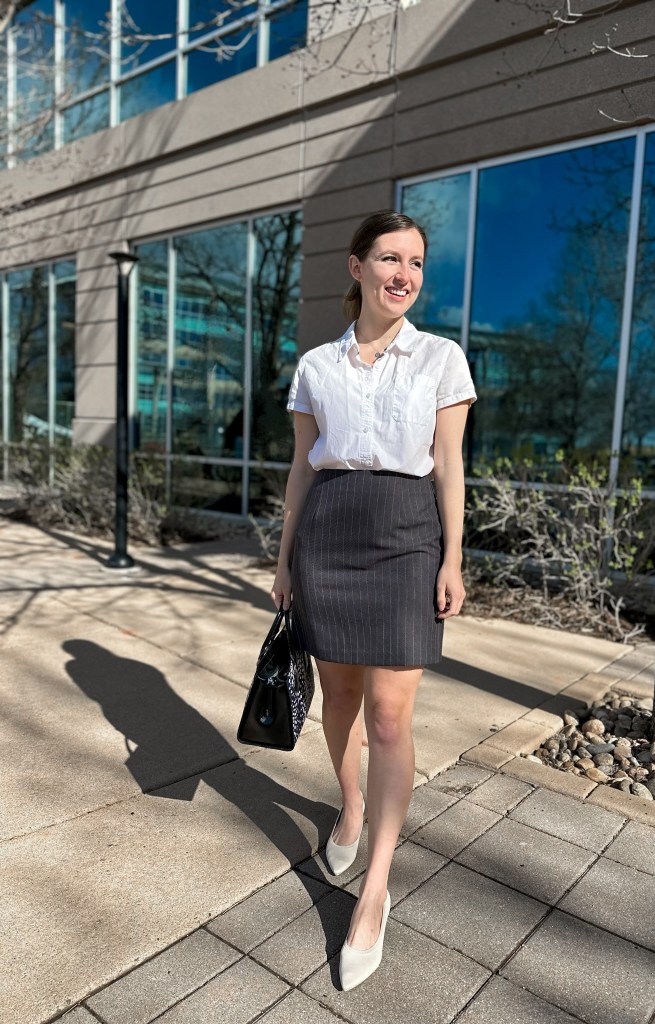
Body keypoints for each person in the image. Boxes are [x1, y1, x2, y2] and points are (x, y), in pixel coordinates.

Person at [270, 209, 476, 990]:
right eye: (389, 258)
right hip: (328, 532)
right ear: (356, 268)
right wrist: (285, 559)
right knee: (340, 698)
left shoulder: (442, 359)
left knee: (391, 715)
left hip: (407, 534)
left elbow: (450, 465)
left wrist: (454, 557)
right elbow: (301, 469)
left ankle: (375, 889)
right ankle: (348, 806)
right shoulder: (316, 367)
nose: (405, 274)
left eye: (416, 261)